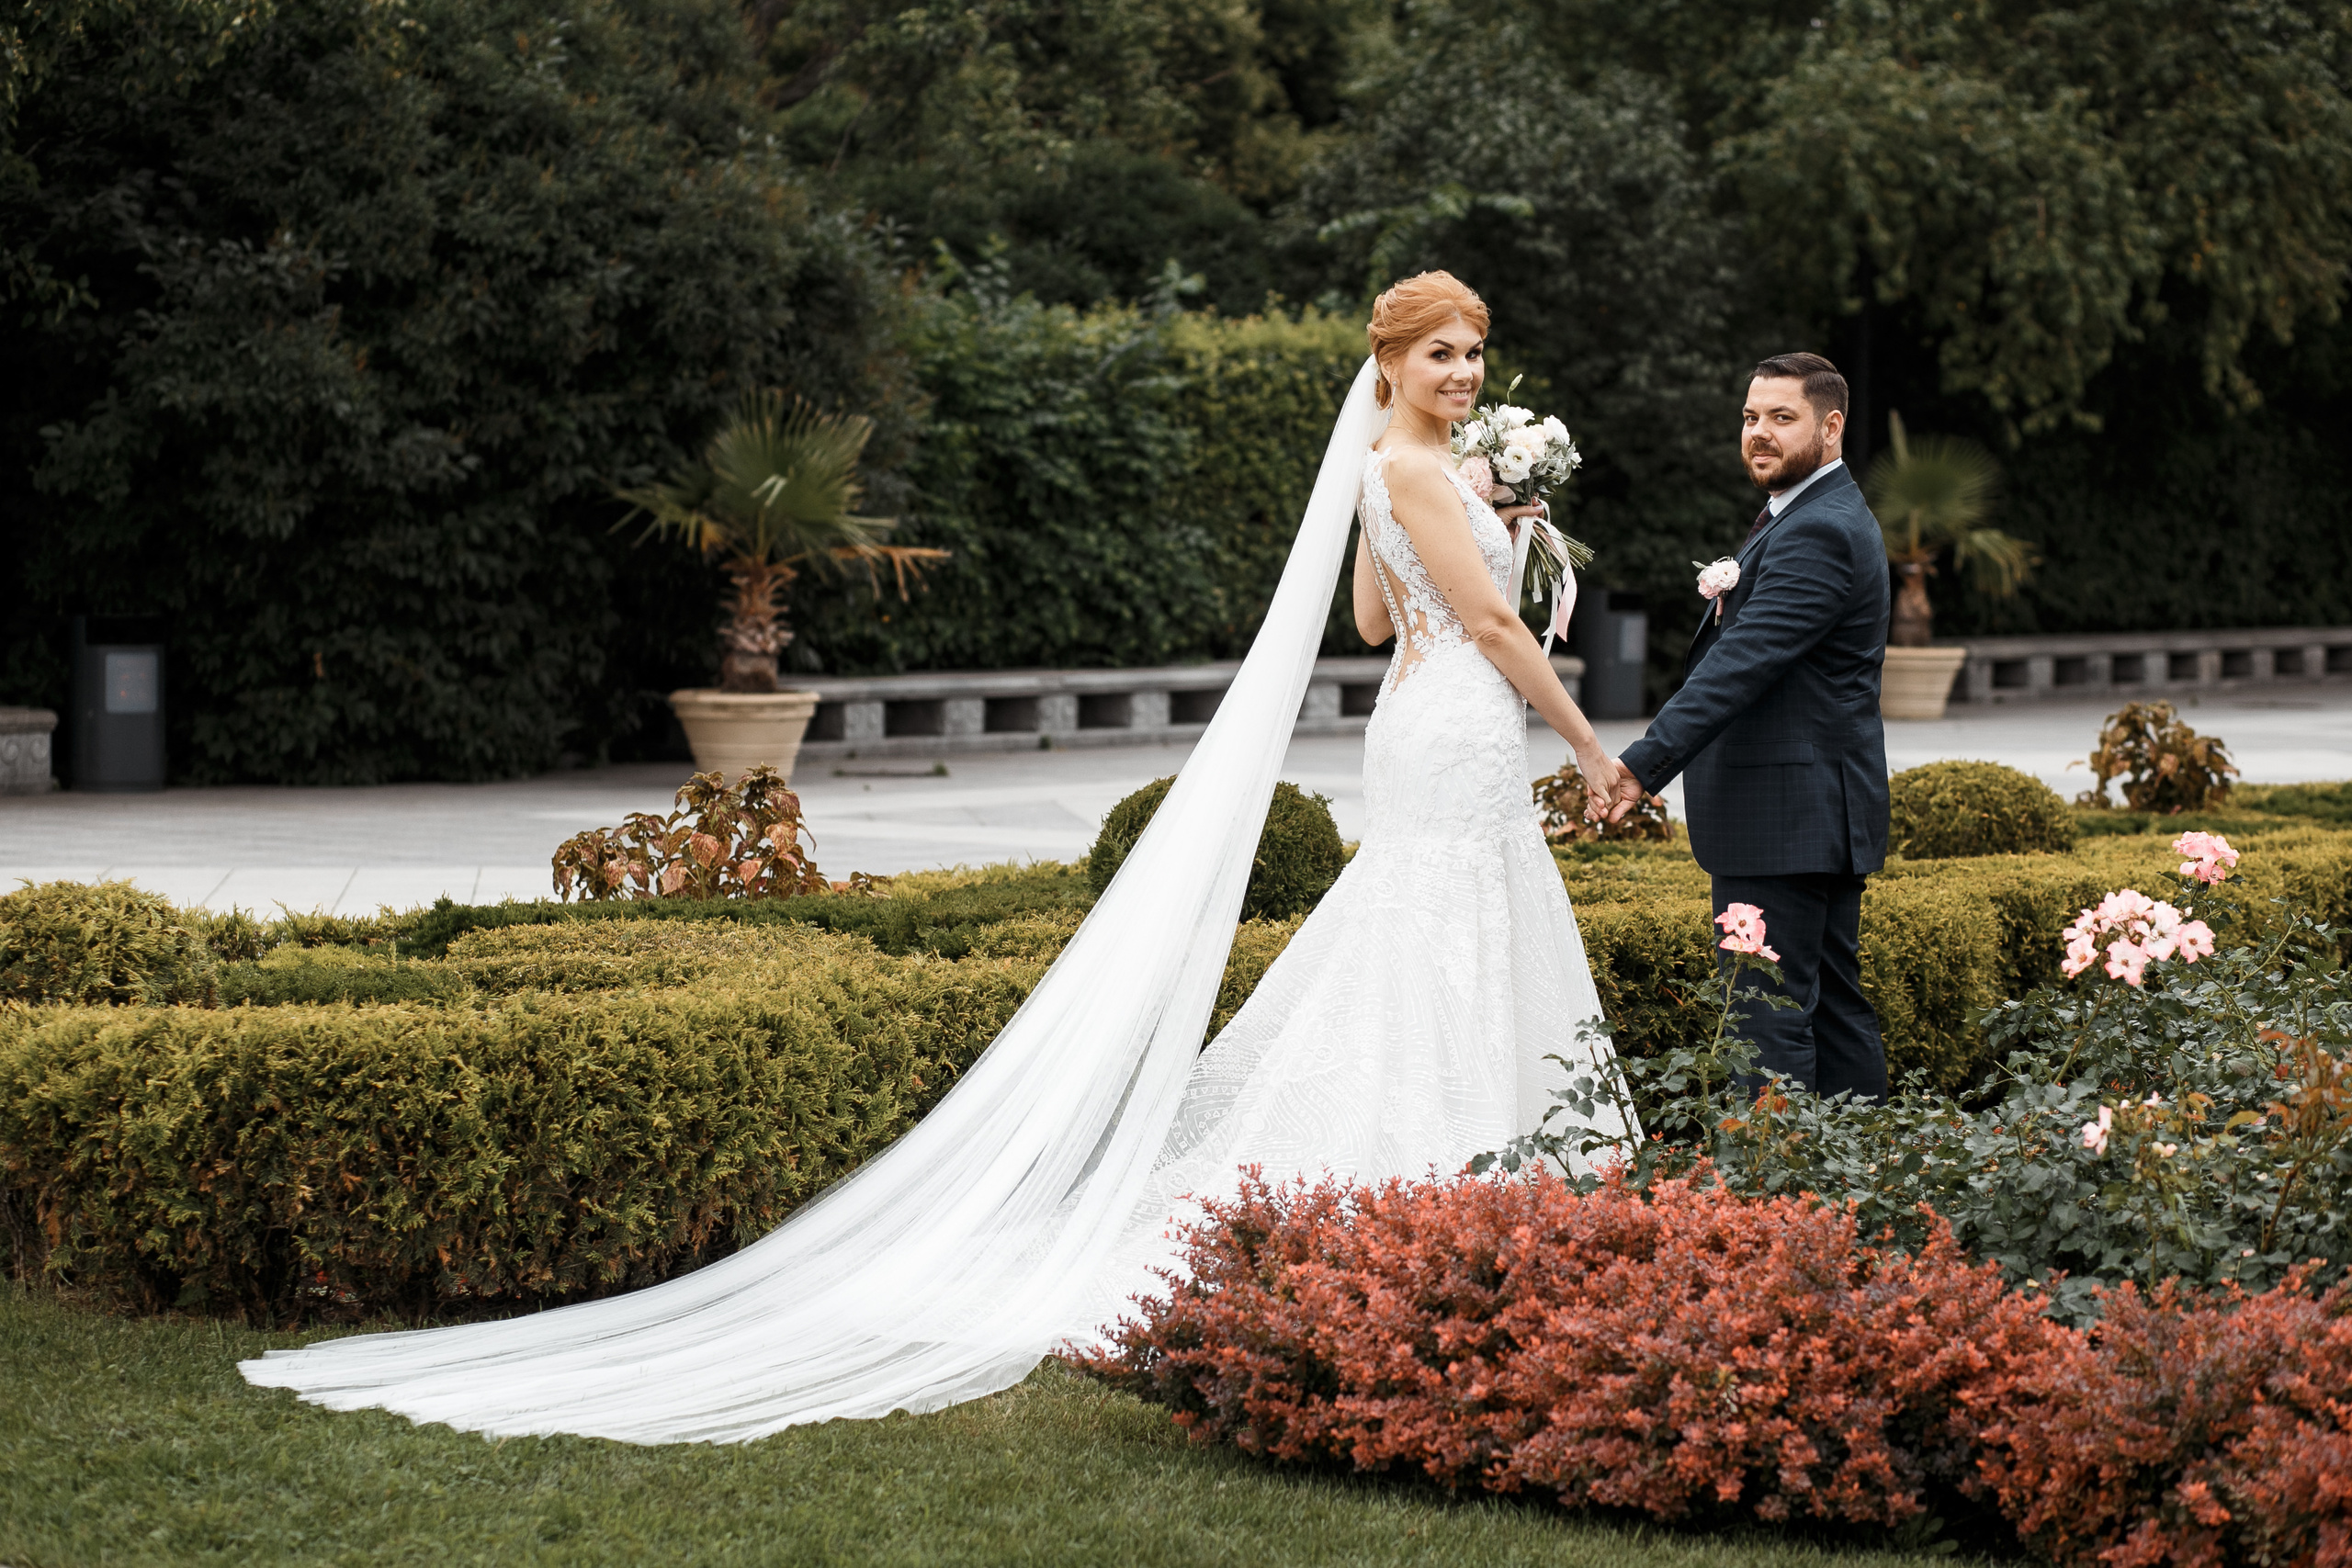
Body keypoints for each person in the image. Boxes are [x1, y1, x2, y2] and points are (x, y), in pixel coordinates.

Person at [243, 273, 1632, 1444]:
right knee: (1435, 923)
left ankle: (1446, 1178)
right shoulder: (1414, 465)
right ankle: (1449, 1181)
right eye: (1441, 352)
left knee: (1413, 926)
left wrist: (1490, 535)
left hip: (1416, 725)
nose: (1462, 372)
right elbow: (1495, 640)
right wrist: (1583, 738)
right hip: (1461, 730)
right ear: (1387, 361)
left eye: (1473, 355)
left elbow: (1378, 620)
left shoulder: (1398, 474)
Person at [1603, 353, 1892, 1101]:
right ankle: (1859, 1182)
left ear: (1831, 427)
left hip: (1785, 822)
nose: (1759, 433)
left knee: (1763, 1015)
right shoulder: (1802, 514)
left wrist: (1639, 767)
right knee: (1828, 1008)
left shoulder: (1818, 529)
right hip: (1806, 815)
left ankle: (1775, 1192)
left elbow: (1742, 664)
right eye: (1750, 417)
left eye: (1781, 418)